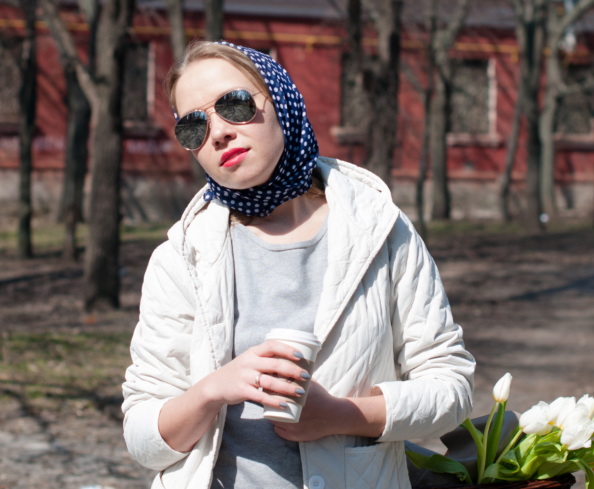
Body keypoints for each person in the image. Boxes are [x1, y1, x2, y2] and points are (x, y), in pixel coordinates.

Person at [120, 40, 475, 489]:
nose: (219, 133)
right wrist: (212, 390)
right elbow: (142, 436)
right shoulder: (180, 258)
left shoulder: (380, 229)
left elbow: (451, 386)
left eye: (234, 104)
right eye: (194, 126)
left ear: (281, 98)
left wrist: (343, 416)